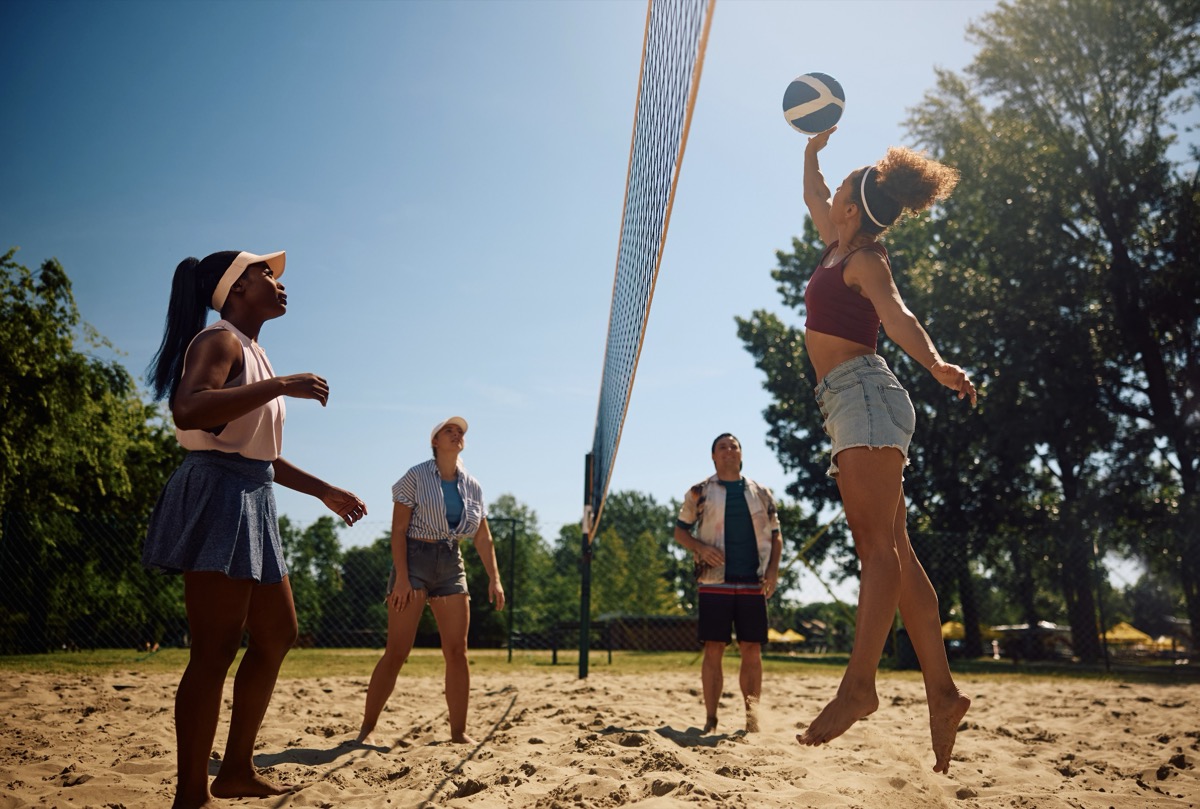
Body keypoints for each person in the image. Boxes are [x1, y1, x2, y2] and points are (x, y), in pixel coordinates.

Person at [143, 249, 367, 809]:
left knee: (277, 633)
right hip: (218, 494)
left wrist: (324, 490)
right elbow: (188, 409)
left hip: (251, 493)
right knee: (214, 649)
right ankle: (191, 794)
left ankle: (236, 770)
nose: (277, 281)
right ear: (235, 288)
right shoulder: (218, 340)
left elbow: (258, 453)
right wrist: (282, 385)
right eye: (264, 272)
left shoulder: (254, 352)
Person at [794, 128, 976, 774]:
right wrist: (811, 153)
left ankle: (859, 687)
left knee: (876, 550)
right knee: (897, 552)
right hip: (853, 401)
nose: (832, 192)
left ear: (851, 209)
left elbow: (898, 317)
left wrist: (936, 363)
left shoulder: (865, 260)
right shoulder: (836, 242)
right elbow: (814, 193)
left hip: (865, 398)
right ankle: (943, 693)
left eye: (841, 185)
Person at [357, 416, 505, 745]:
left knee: (457, 651)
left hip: (451, 561)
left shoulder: (473, 485)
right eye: (448, 430)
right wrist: (402, 578)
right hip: (414, 559)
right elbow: (398, 530)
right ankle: (367, 729)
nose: (456, 434)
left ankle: (459, 733)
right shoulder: (415, 476)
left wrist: (494, 579)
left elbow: (483, 538)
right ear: (435, 441)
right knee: (397, 651)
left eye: (460, 431)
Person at [674, 433, 782, 734]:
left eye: (734, 446)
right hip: (713, 581)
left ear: (741, 454)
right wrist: (700, 547)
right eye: (722, 447)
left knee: (752, 649)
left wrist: (773, 571)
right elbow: (680, 532)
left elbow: (776, 536)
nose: (729, 450)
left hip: (753, 581)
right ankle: (711, 719)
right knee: (714, 648)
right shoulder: (699, 491)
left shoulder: (761, 492)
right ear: (713, 456)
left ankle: (752, 720)